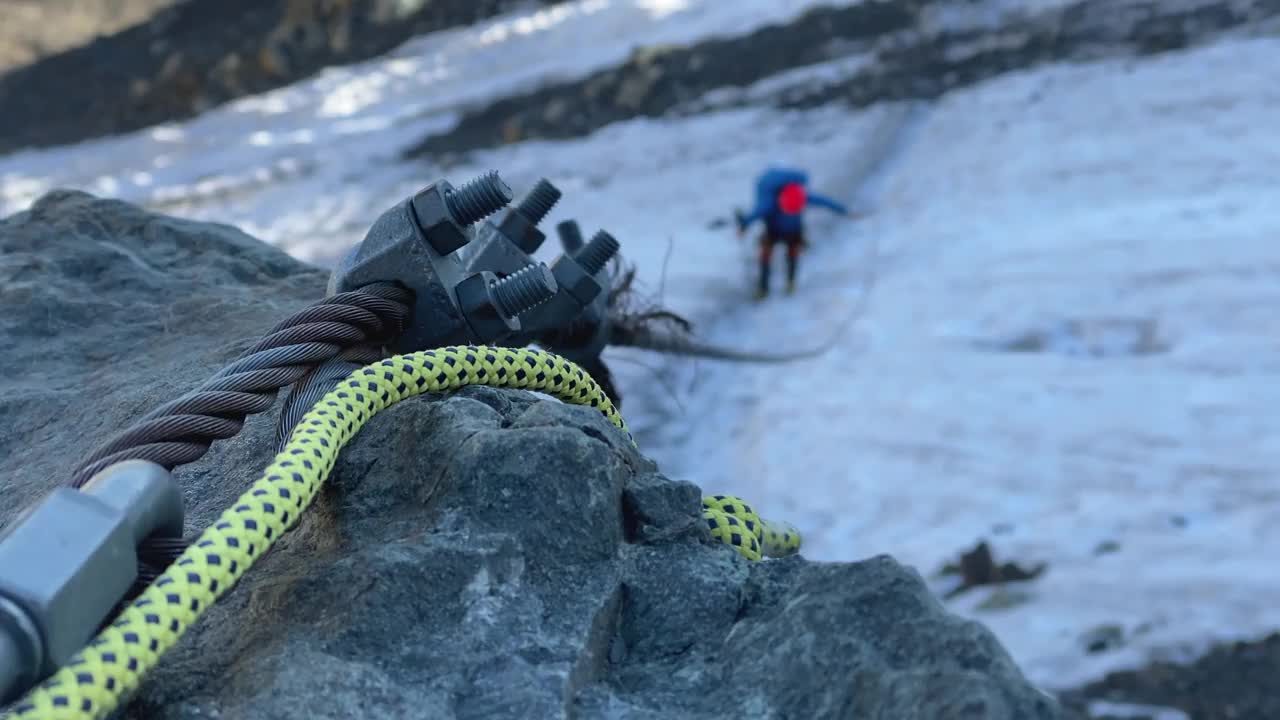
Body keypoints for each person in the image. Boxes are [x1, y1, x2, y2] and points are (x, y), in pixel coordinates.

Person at [736, 167, 850, 298]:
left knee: (786, 255)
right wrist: (743, 225)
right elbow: (755, 215)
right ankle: (766, 287)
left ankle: (782, 285)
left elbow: (826, 203)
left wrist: (843, 211)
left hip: (786, 232)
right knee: (774, 255)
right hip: (780, 231)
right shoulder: (771, 203)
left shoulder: (793, 198)